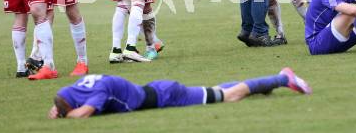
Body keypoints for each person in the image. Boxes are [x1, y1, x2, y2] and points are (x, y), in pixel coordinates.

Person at [48, 67, 311, 118]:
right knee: (220, 91)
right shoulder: (72, 90)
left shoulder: (97, 94)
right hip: (160, 91)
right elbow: (63, 103)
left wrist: (66, 114)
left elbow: (81, 114)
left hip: (168, 97)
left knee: (229, 96)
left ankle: (281, 78)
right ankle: (260, 87)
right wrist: (60, 109)